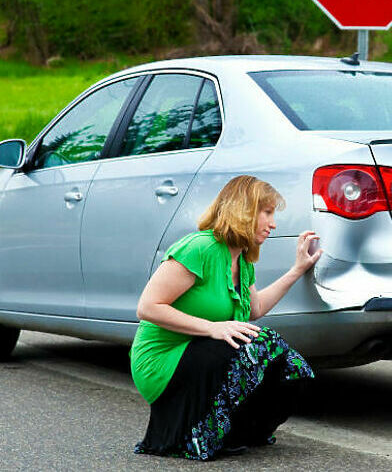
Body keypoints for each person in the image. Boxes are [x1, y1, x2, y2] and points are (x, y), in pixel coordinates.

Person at [130, 175, 322, 460]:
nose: (273, 223)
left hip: (204, 353)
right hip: (163, 359)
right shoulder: (199, 247)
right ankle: (196, 436)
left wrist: (296, 270)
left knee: (290, 366)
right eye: (266, 213)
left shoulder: (242, 259)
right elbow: (148, 307)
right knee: (259, 343)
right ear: (243, 210)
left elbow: (254, 309)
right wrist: (211, 328)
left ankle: (242, 430)